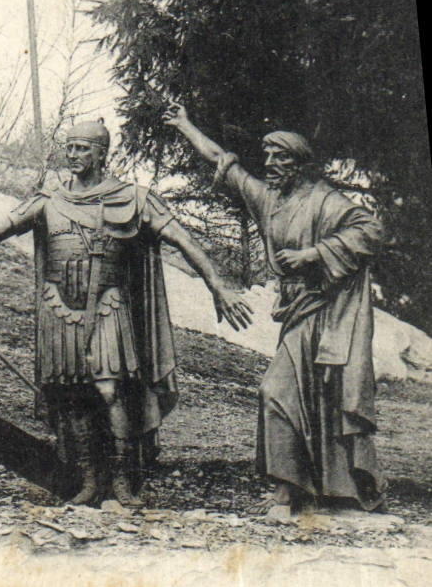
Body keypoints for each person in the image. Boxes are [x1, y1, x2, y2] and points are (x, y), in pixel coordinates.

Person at [0, 121, 253, 506]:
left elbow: (183, 240)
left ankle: (122, 482)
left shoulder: (134, 198)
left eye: (82, 148)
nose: (73, 155)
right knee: (71, 395)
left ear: (102, 154)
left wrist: (218, 286)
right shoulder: (47, 199)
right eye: (69, 148)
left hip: (107, 305)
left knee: (109, 390)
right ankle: (88, 482)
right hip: (59, 307)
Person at [165, 104, 386, 513]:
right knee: (282, 393)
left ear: (300, 164)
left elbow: (370, 231)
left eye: (279, 158)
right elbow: (222, 163)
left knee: (321, 397)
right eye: (267, 157)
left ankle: (330, 491)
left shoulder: (327, 201)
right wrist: (184, 125)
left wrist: (314, 254)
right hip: (297, 313)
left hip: (331, 312)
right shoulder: (270, 201)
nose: (269, 165)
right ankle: (290, 489)